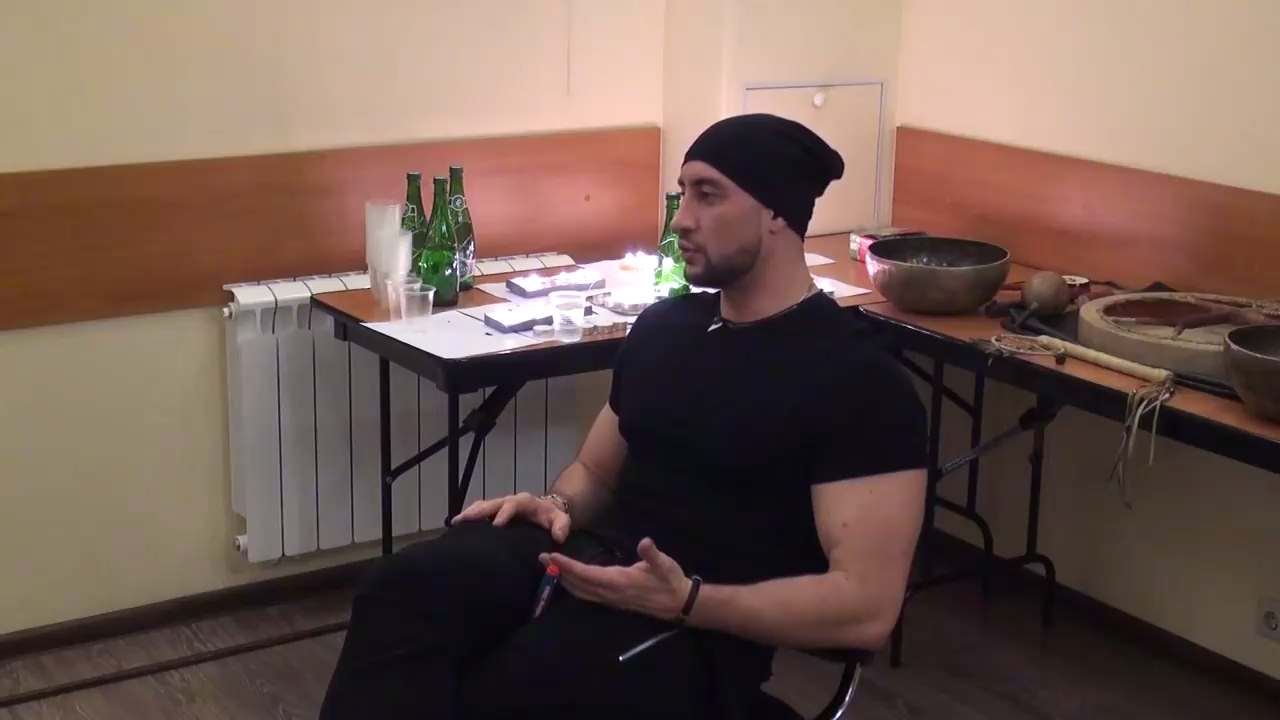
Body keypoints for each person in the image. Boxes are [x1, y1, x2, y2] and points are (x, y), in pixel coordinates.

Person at [318, 114, 928, 720]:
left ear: (777, 213)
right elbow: (594, 473)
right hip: (593, 563)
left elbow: (866, 609)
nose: (682, 218)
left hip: (702, 623)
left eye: (708, 195)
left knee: (519, 686)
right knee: (399, 592)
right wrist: (556, 505)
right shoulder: (666, 328)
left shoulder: (858, 382)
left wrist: (686, 600)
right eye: (683, 192)